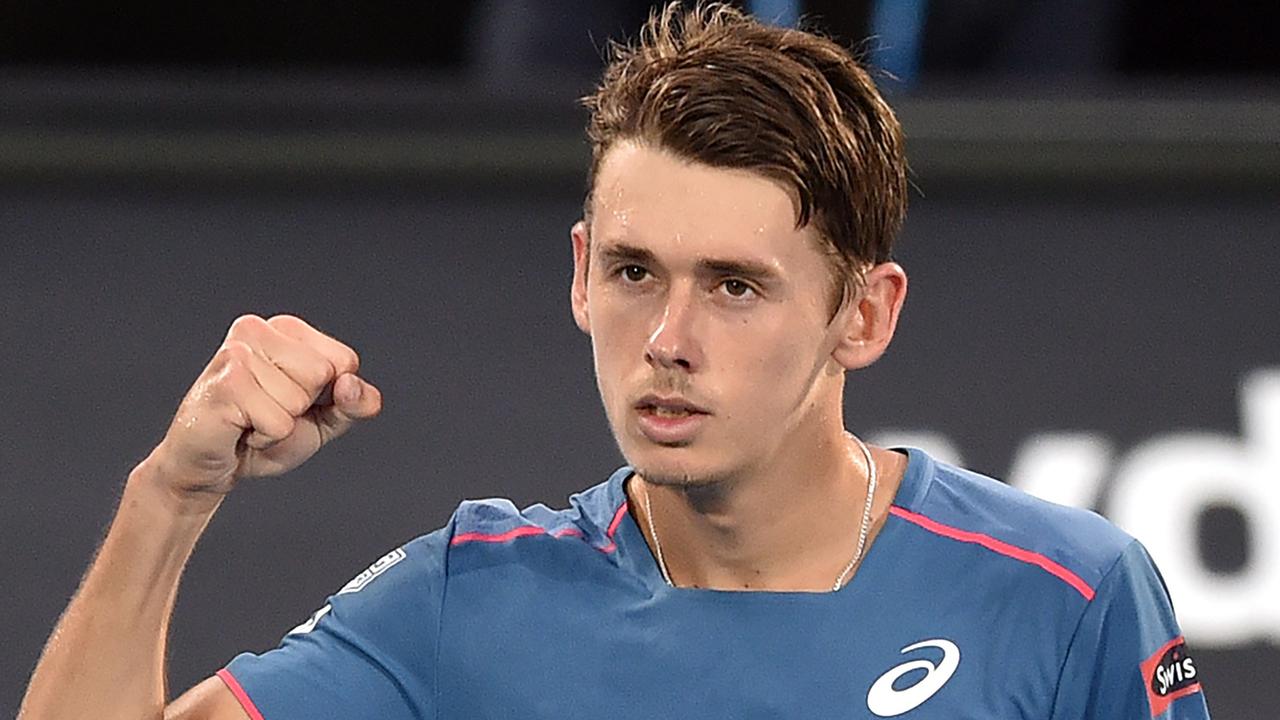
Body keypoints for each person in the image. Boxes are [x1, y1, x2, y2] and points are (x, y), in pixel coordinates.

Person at [19, 4, 1210, 719]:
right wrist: (168, 499)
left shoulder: (1066, 597)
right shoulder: (465, 603)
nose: (667, 341)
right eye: (636, 272)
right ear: (580, 272)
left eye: (734, 287)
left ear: (864, 315)